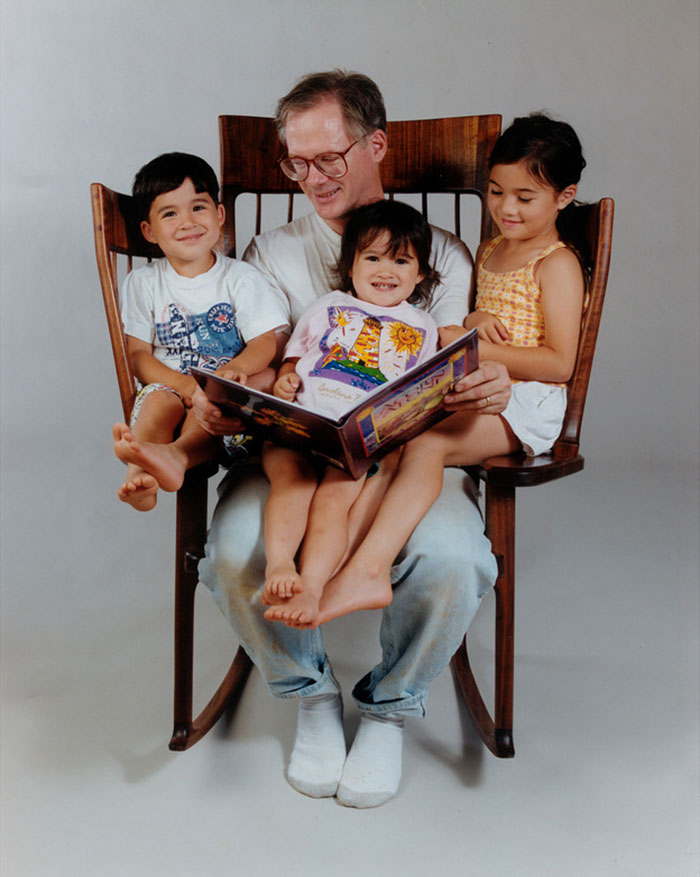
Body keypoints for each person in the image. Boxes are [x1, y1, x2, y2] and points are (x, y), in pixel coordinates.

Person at [192, 70, 512, 808]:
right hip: (295, 459)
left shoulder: (446, 260)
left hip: (403, 458)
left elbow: (455, 362)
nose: (313, 178)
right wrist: (259, 389)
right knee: (238, 554)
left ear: (377, 144)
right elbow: (270, 356)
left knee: (455, 559)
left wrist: (485, 383)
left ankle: (391, 706)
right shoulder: (273, 253)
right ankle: (308, 692)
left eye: (329, 157)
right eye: (296, 164)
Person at [323, 113, 588, 619]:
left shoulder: (556, 263)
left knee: (426, 441)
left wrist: (469, 343)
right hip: (480, 388)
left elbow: (558, 362)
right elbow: (488, 316)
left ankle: (370, 570)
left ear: (565, 196)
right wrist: (476, 317)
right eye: (495, 192)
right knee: (395, 436)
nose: (505, 208)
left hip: (527, 401)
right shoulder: (492, 249)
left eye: (524, 198)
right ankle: (343, 559)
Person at [262, 199, 441, 629]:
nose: (386, 270)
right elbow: (295, 355)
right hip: (301, 423)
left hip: (357, 441)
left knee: (331, 502)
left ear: (419, 274)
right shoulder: (328, 306)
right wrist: (285, 378)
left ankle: (311, 586)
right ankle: (280, 565)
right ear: (350, 266)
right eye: (373, 258)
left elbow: (419, 390)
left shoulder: (421, 326)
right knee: (292, 482)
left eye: (401, 261)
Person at [112, 152, 287, 511]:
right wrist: (188, 387)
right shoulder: (143, 283)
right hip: (170, 389)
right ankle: (139, 478)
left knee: (251, 384)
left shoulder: (241, 277)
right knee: (159, 400)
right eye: (170, 213)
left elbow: (263, 342)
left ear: (219, 215)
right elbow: (139, 356)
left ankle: (177, 455)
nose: (187, 222)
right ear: (149, 231)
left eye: (198, 207)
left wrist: (227, 376)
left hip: (227, 409)